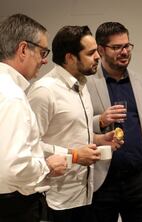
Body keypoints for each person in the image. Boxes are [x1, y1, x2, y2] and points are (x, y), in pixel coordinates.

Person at [27, 25, 121, 222]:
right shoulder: (44, 91)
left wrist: (100, 139)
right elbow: (29, 146)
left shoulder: (82, 85)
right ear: (70, 58)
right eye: (91, 52)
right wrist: (76, 156)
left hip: (85, 195)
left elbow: (70, 132)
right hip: (55, 200)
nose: (98, 56)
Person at [86, 22, 142, 222]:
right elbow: (77, 126)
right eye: (117, 47)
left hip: (140, 180)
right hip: (102, 181)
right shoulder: (86, 84)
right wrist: (100, 121)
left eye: (127, 46)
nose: (124, 51)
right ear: (101, 50)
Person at [0, 14, 66, 222]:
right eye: (42, 51)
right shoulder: (13, 96)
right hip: (13, 207)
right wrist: (47, 166)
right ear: (22, 50)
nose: (45, 60)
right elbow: (13, 167)